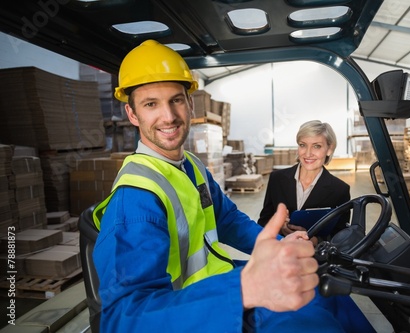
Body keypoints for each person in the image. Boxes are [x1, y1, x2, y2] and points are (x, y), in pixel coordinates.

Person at [92, 40, 374, 332]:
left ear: (190, 104)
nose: (168, 116)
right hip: (197, 313)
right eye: (151, 104)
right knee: (312, 322)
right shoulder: (135, 199)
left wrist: (280, 247)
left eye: (176, 100)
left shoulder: (190, 166)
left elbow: (227, 220)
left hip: (218, 286)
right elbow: (122, 319)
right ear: (133, 114)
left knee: (325, 288)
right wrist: (244, 289)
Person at [258, 120, 351, 245]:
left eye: (316, 146)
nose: (308, 153)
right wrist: (279, 226)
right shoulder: (277, 179)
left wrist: (315, 240)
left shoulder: (340, 190)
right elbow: (263, 222)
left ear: (329, 149)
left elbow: (341, 235)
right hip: (279, 255)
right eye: (303, 145)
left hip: (314, 260)